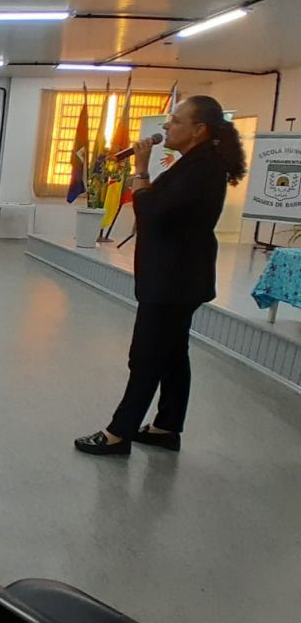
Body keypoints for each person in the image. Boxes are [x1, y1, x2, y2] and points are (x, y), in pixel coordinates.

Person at [75, 96, 247, 456]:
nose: (166, 126)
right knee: (172, 354)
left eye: (176, 120)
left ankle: (118, 433)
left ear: (199, 129)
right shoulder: (197, 163)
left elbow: (151, 214)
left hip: (173, 280)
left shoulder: (201, 169)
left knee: (146, 356)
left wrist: (140, 169)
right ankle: (166, 427)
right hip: (178, 276)